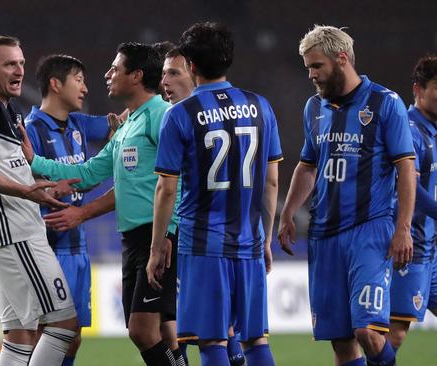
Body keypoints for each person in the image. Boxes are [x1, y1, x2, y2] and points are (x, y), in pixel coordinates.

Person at [23, 42, 183, 366]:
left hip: (159, 237)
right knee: (156, 331)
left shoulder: (161, 116)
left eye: (115, 68)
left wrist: (168, 233)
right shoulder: (128, 126)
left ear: (136, 75)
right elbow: (87, 173)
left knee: (145, 330)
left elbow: (178, 179)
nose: (107, 74)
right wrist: (34, 160)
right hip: (135, 240)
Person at [277, 25, 416, 366]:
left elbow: (406, 168)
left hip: (370, 231)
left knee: (367, 333)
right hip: (324, 236)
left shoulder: (385, 103)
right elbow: (307, 166)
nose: (311, 75)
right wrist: (287, 213)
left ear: (342, 59)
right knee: (341, 343)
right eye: (308, 67)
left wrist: (403, 228)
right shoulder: (314, 107)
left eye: (316, 66)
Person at [147, 22, 280, 366]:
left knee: (212, 342)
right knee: (255, 340)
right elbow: (271, 182)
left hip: (203, 244)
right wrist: (265, 239)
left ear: (191, 65)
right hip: (250, 241)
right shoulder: (261, 106)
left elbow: (166, 188)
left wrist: (157, 245)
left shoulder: (180, 115)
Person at [0, 35, 79, 366]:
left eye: (22, 63)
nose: (19, 70)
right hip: (14, 235)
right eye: (10, 64)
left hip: (13, 233)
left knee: (20, 336)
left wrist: (41, 185)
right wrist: (26, 191)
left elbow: (5, 168)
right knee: (64, 324)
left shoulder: (6, 109)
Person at [24, 54, 110, 366]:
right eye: (79, 80)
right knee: (43, 333)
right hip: (47, 246)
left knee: (72, 337)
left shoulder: (79, 125)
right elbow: (29, 183)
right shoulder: (31, 130)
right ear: (55, 84)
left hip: (77, 245)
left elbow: (125, 122)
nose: (85, 88)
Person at [387, 54, 437, 352]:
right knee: (395, 332)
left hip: (432, 246)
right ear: (417, 89)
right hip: (411, 245)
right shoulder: (408, 128)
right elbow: (411, 187)